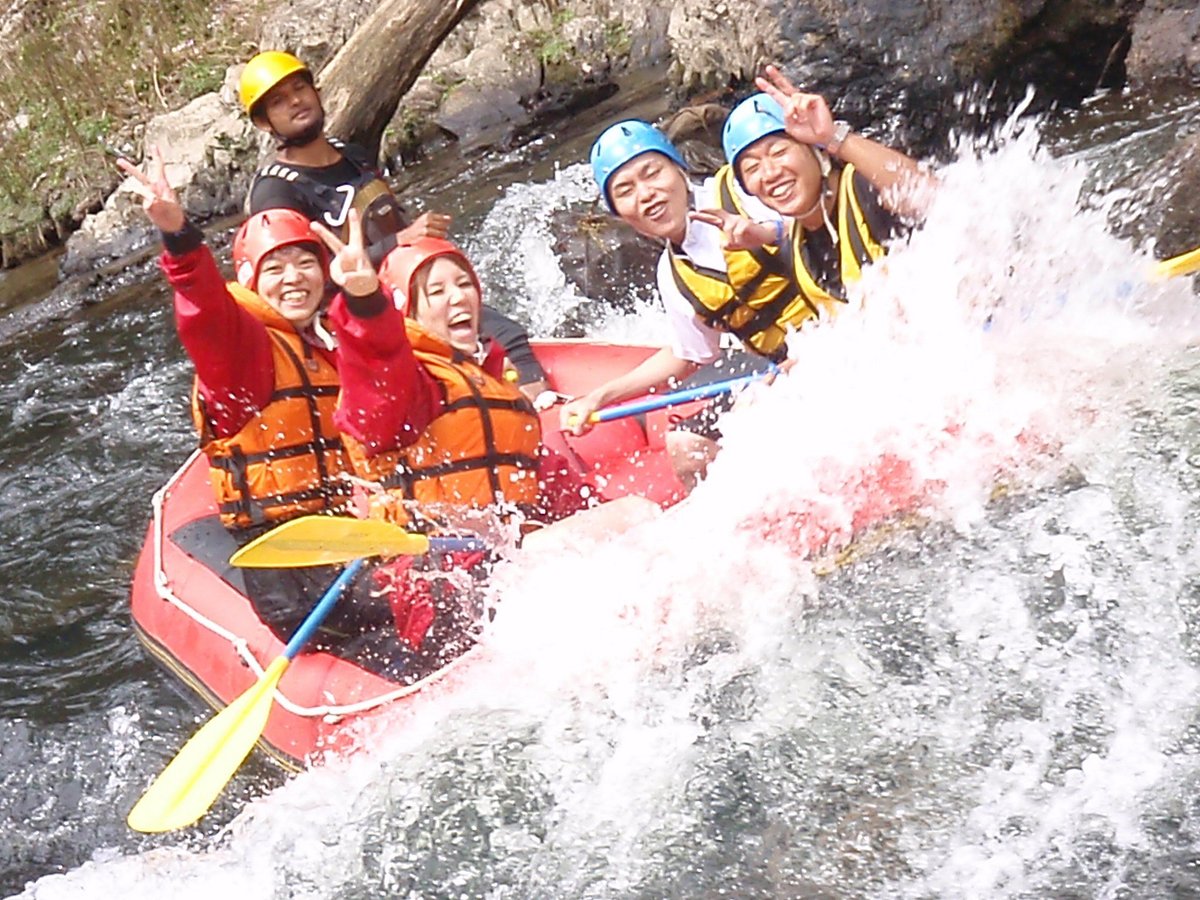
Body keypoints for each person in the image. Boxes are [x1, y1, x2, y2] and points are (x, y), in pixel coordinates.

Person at [117, 147, 434, 649]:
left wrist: (367, 299)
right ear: (251, 283)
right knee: (431, 609)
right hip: (288, 573)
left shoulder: (328, 346)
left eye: (305, 264)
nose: (293, 278)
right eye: (276, 268)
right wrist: (179, 237)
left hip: (344, 546)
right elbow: (204, 314)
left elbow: (390, 398)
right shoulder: (242, 355)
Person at [313, 223, 658, 676]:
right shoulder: (408, 389)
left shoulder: (493, 385)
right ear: (407, 312)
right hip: (446, 588)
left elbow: (545, 485)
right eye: (435, 291)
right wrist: (364, 302)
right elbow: (375, 370)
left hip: (505, 567)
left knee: (628, 531)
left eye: (463, 284)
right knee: (637, 515)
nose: (458, 298)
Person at [238, 50, 552, 401]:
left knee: (505, 334)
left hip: (403, 291)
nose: (296, 101)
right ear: (265, 122)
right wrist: (399, 241)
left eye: (300, 88)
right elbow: (303, 282)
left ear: (317, 91)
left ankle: (531, 405)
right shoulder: (275, 191)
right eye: (279, 101)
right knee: (490, 337)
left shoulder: (353, 156)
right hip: (354, 315)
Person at [557, 119, 783, 490]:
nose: (646, 194)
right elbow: (689, 355)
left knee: (749, 418)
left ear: (679, 169)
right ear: (618, 212)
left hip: (831, 331)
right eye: (626, 190)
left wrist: (768, 233)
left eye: (652, 173)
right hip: (775, 364)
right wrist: (598, 397)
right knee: (686, 446)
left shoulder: (745, 192)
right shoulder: (673, 274)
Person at [709, 65, 933, 323]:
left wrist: (834, 138)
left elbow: (934, 200)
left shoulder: (865, 187)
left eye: (779, 152)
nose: (769, 173)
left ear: (817, 151)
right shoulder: (798, 251)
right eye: (752, 168)